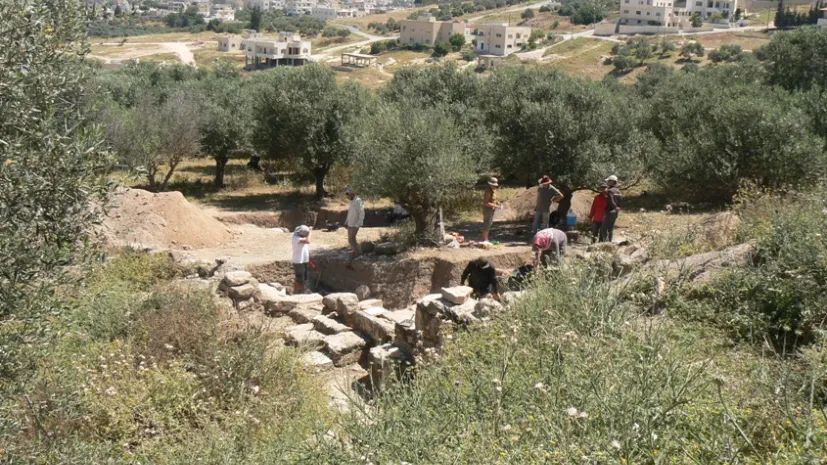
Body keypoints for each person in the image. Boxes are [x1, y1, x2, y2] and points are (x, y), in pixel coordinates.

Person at [345, 187, 364, 267]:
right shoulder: (352, 201)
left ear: (353, 194)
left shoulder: (358, 201)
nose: (347, 197)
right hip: (350, 224)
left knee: (351, 239)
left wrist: (358, 223)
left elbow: (362, 213)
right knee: (351, 239)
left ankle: (358, 253)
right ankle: (357, 251)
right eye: (347, 195)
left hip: (355, 224)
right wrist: (346, 221)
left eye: (348, 195)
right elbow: (350, 212)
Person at [599, 175, 622, 242]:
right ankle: (609, 242)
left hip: (610, 211)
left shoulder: (610, 191)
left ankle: (605, 243)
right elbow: (620, 201)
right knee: (610, 228)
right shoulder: (618, 191)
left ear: (612, 182)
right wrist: (617, 208)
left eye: (609, 181)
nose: (607, 182)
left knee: (604, 228)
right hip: (616, 212)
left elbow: (611, 201)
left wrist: (615, 207)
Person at [292, 225, 311, 294]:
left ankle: (302, 292)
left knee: (305, 278)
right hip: (298, 261)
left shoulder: (301, 237)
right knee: (299, 279)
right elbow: (308, 241)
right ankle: (295, 292)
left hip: (304, 260)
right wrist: (309, 233)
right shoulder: (295, 238)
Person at [481, 177, 500, 243]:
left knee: (489, 223)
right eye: (493, 185)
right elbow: (486, 203)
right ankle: (485, 239)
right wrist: (496, 206)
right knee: (487, 223)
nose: (494, 186)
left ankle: (486, 238)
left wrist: (497, 203)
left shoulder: (493, 190)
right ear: (490, 184)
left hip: (491, 209)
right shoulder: (488, 191)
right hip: (487, 209)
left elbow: (493, 199)